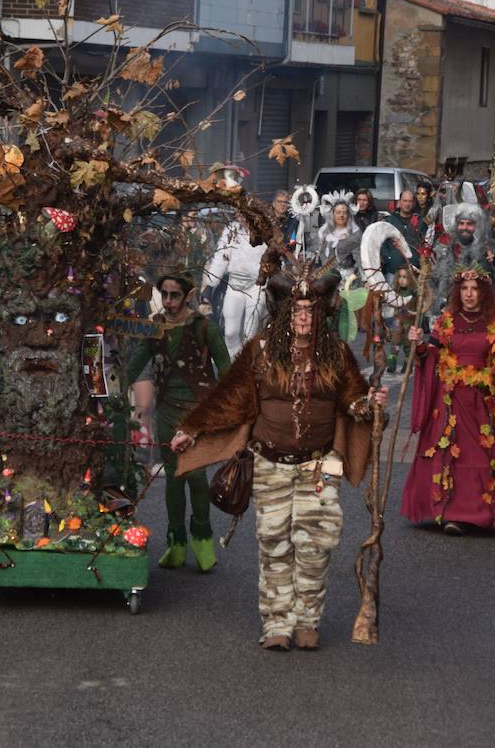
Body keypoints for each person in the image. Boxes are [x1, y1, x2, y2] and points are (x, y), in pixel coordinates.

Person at [169, 264, 387, 651]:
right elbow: (229, 398)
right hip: (269, 463)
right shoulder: (262, 350)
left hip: (319, 466)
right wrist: (192, 429)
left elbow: (354, 401)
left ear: (320, 314)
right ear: (287, 313)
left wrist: (369, 404)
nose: (304, 317)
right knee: (274, 545)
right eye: (298, 310)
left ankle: (307, 620)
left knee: (315, 547)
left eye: (311, 310)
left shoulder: (336, 353)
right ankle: (277, 624)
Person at [402, 268, 495, 533]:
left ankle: (483, 514)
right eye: (465, 289)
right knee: (451, 455)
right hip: (449, 403)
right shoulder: (446, 323)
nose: (469, 294)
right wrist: (419, 345)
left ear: (483, 294)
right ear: (458, 292)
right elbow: (432, 356)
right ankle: (452, 514)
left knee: (481, 456)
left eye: (475, 289)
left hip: (482, 405)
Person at [126, 274, 229, 571]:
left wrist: (228, 412)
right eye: (165, 295)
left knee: (195, 476)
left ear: (189, 295)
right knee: (174, 478)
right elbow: (135, 364)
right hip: (168, 412)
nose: (169, 301)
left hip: (198, 413)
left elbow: (226, 370)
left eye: (175, 295)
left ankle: (203, 538)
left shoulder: (206, 328)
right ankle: (176, 545)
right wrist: (113, 389)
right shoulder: (156, 327)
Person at [428, 203, 495, 317]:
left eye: (469, 224)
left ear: (477, 225)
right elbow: (434, 280)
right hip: (451, 313)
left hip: (483, 312)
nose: (464, 227)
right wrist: (439, 303)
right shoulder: (445, 248)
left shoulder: (490, 247)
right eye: (461, 223)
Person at [203, 216, 268, 358]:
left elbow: (271, 257)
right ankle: (233, 362)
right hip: (234, 286)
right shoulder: (232, 230)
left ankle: (247, 365)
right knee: (230, 332)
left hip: (256, 287)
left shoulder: (264, 231)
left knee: (250, 332)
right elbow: (221, 257)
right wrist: (210, 284)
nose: (242, 218)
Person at [380, 189, 422, 282]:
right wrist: (389, 257)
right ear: (399, 202)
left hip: (413, 272)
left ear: (414, 203)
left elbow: (425, 243)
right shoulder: (389, 221)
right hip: (392, 271)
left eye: (410, 201)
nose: (407, 204)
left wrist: (418, 259)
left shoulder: (420, 222)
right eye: (405, 201)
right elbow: (382, 243)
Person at [317, 196, 362, 280]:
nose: (342, 215)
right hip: (327, 278)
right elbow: (318, 254)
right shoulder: (323, 233)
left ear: (348, 215)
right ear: (332, 214)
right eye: (338, 212)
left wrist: (364, 277)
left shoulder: (355, 234)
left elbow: (360, 258)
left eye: (345, 212)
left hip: (348, 279)